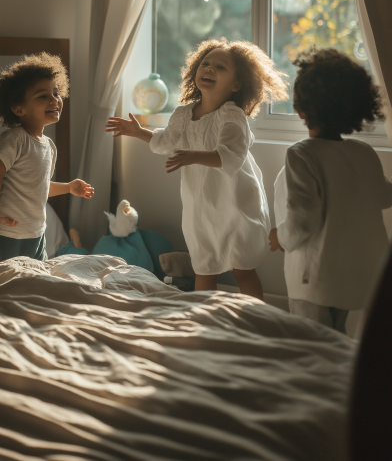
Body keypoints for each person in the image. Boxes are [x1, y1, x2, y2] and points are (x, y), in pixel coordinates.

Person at [106, 38, 288, 299]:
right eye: (205, 63)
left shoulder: (232, 115)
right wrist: (138, 132)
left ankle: (255, 320)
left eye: (221, 67)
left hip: (234, 203)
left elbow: (231, 156)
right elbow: (167, 141)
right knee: (204, 266)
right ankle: (202, 319)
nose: (210, 69)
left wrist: (192, 155)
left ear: (237, 84)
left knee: (242, 270)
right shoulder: (182, 114)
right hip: (201, 206)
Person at [269, 47, 392, 333]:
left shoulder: (302, 154)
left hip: (315, 277)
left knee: (310, 345)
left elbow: (304, 217)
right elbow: (385, 195)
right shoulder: (363, 152)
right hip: (356, 271)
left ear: (301, 109)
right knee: (336, 340)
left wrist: (280, 237)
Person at [0, 53, 94, 261]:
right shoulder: (15, 140)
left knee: (34, 282)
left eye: (56, 93)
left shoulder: (49, 146)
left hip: (36, 233)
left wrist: (69, 187)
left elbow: (39, 187)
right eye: (43, 96)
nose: (54, 100)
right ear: (18, 108)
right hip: (7, 233)